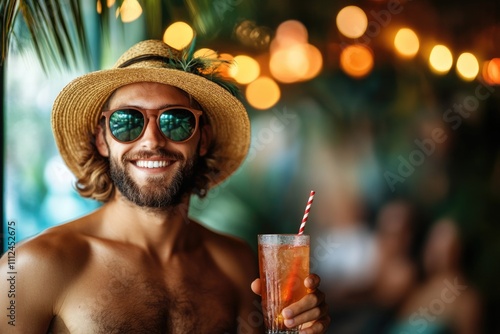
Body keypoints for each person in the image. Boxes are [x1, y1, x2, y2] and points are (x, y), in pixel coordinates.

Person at [0, 40, 330, 333]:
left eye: (175, 120)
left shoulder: (236, 264)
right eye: (127, 121)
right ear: (102, 139)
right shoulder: (33, 268)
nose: (152, 140)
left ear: (202, 139)